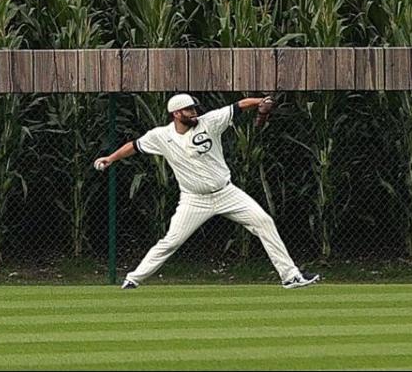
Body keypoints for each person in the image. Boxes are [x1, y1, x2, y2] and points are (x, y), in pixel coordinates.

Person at [94, 93, 320, 290]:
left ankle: (290, 276)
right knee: (171, 241)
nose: (194, 113)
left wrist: (261, 102)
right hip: (194, 200)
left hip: (226, 193)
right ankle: (133, 279)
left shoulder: (209, 122)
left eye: (194, 108)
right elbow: (134, 146)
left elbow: (239, 105)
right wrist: (111, 158)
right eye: (188, 109)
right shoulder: (161, 136)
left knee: (264, 222)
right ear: (175, 113)